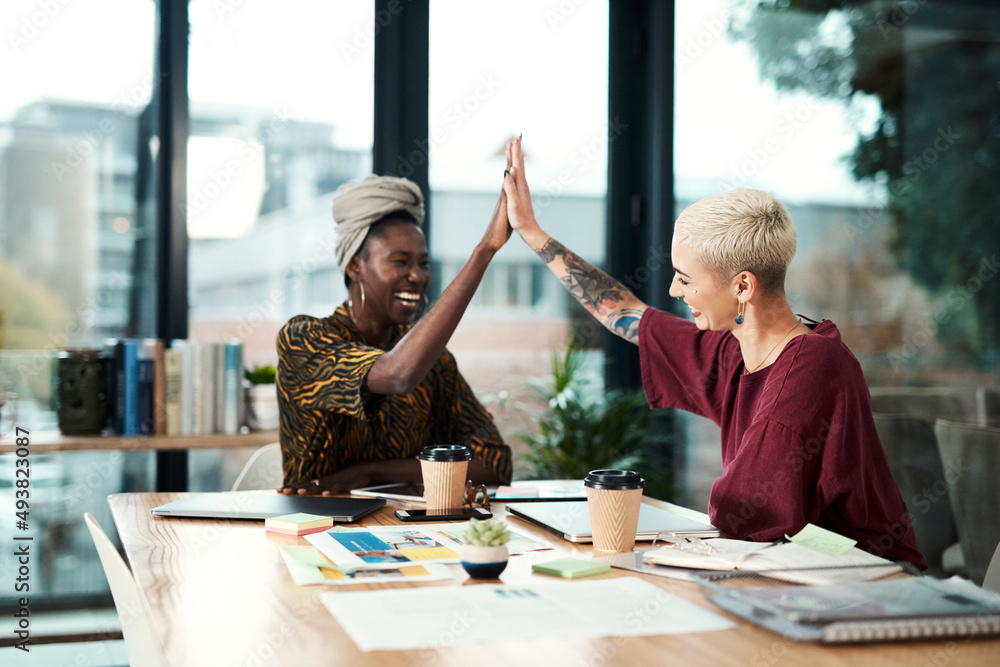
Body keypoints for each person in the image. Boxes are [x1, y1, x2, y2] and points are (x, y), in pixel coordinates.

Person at [500, 137, 926, 569]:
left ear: (742, 286)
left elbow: (742, 510)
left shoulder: (811, 369)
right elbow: (627, 313)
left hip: (868, 574)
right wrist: (532, 232)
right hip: (793, 562)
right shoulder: (737, 349)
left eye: (685, 279)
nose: (673, 290)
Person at [277, 174, 513, 495]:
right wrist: (484, 251)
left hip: (413, 534)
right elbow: (397, 374)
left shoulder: (434, 362)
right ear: (355, 267)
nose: (417, 276)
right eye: (400, 262)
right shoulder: (302, 340)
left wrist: (373, 472)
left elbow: (494, 464)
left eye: (423, 263)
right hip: (313, 528)